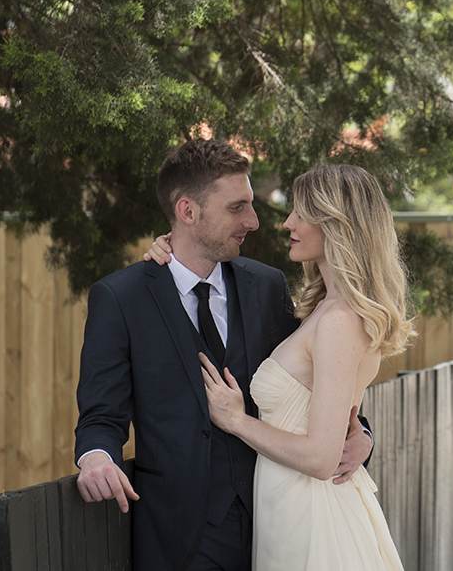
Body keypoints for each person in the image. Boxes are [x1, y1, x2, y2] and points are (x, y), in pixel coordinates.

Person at [74, 140, 373, 571]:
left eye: (250, 205)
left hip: (277, 519)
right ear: (187, 211)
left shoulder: (267, 286)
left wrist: (362, 435)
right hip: (177, 537)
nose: (253, 221)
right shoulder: (120, 298)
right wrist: (97, 457)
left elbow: (317, 383)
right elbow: (101, 415)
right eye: (237, 208)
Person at [148, 164, 414, 571]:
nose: (287, 222)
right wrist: (173, 246)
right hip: (286, 508)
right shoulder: (323, 309)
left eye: (302, 213)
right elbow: (319, 405)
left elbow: (322, 459)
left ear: (338, 224)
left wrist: (236, 420)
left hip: (313, 515)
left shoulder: (340, 321)